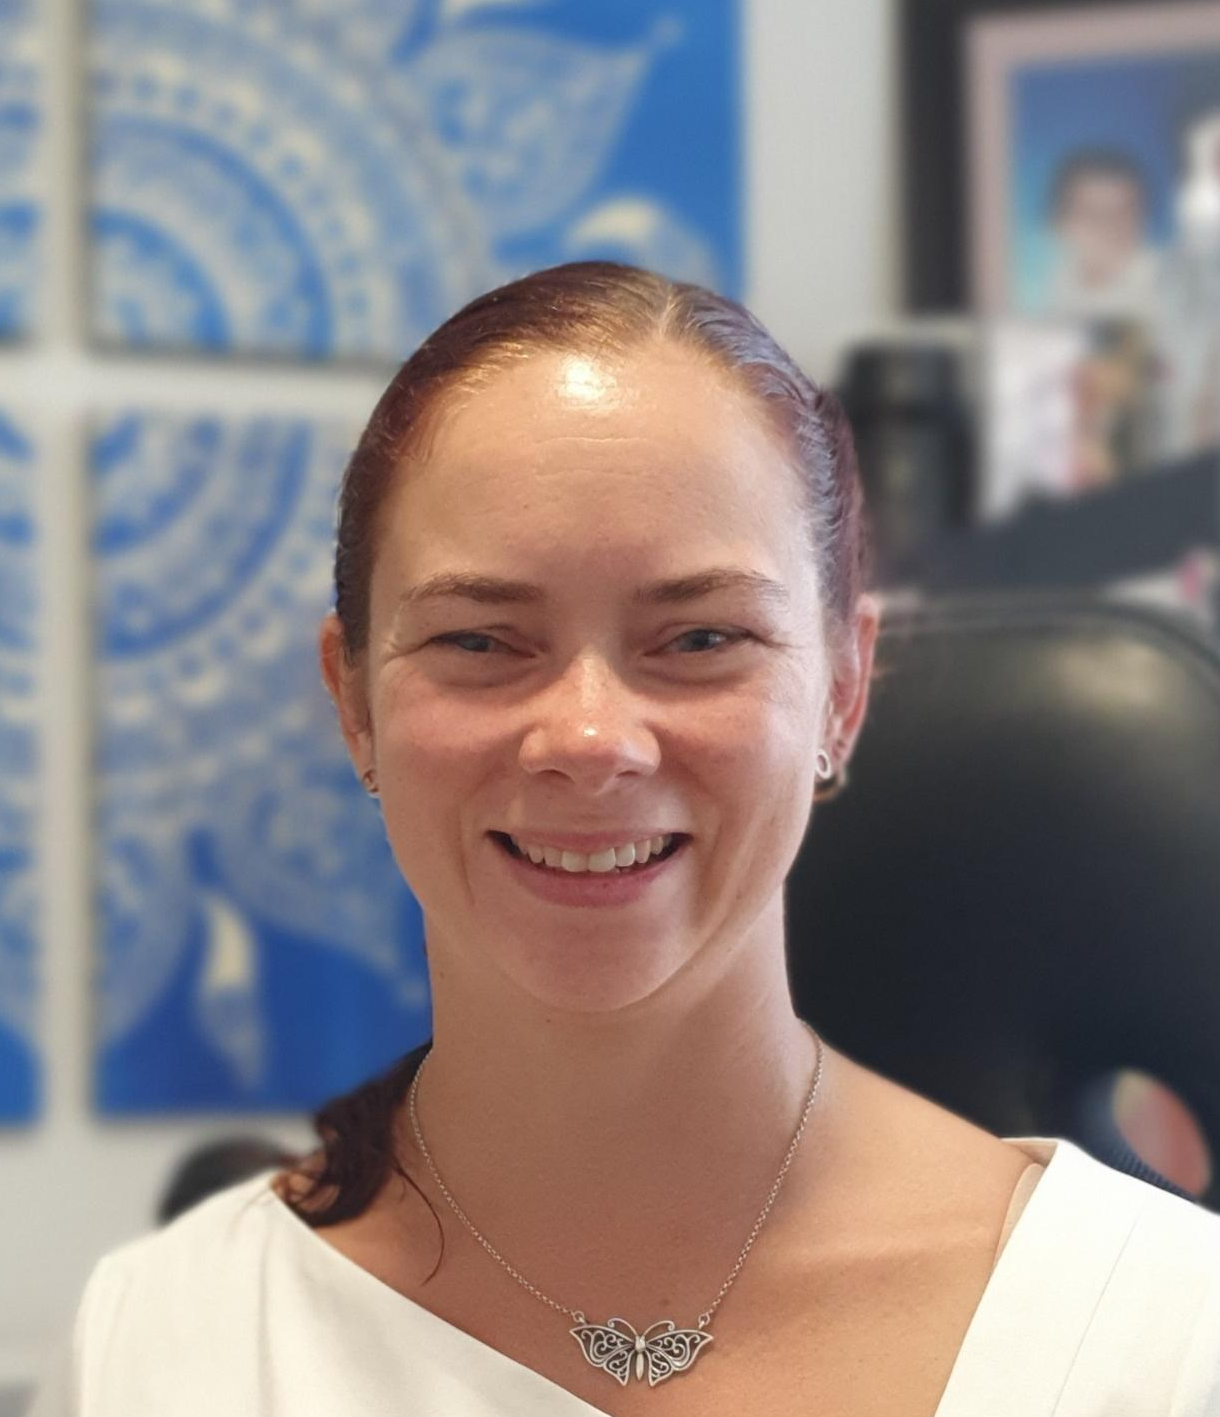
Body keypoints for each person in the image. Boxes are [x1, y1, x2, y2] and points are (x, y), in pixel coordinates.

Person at [27, 263, 1220, 1415]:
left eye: (698, 640)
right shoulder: (158, 1347)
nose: (590, 739)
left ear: (844, 688)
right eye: (479, 641)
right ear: (353, 703)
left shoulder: (1164, 1338)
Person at [1043, 148, 1160, 321]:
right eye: (1092, 213)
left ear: (1144, 219)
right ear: (1059, 222)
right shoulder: (1054, 281)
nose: (1109, 226)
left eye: (1123, 212)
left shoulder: (1169, 287)